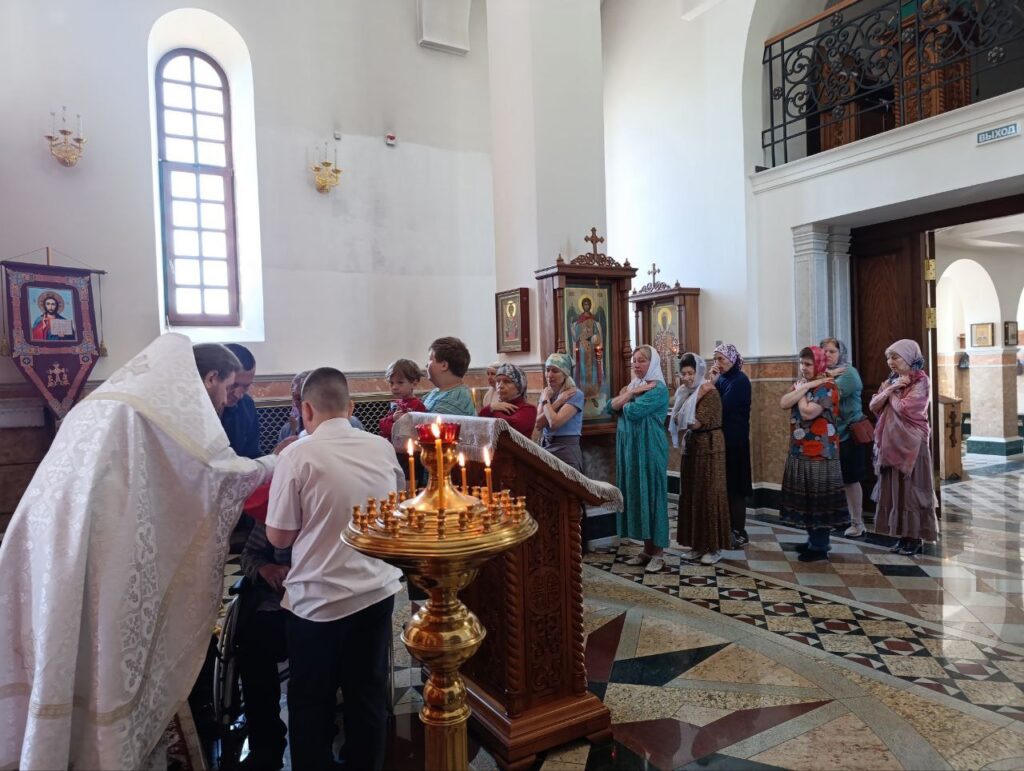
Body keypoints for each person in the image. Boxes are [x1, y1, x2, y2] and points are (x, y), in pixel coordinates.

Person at [0, 335, 280, 770]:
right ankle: (105, 751)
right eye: (228, 388)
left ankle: (56, 745)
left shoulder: (106, 402)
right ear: (210, 378)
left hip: (49, 543)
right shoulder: (156, 414)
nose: (228, 400)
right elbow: (214, 475)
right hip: (103, 554)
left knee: (63, 643)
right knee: (105, 652)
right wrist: (274, 463)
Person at [266, 367, 405, 771]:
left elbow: (279, 538)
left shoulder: (297, 454)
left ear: (306, 410)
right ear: (352, 407)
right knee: (367, 694)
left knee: (311, 702)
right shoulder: (381, 447)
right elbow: (396, 508)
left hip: (318, 601)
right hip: (376, 591)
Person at [779, 346, 849, 562]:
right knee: (808, 500)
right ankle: (813, 540)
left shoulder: (828, 387)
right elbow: (783, 402)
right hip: (800, 449)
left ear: (818, 364)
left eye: (808, 364)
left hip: (821, 453)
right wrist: (806, 386)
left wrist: (801, 391)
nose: (803, 367)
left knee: (820, 501)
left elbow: (807, 412)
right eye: (801, 363)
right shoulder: (807, 384)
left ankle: (820, 546)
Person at [869, 339, 938, 557]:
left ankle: (915, 538)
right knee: (896, 491)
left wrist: (890, 393)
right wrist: (892, 388)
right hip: (891, 444)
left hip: (913, 445)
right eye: (888, 358)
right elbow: (873, 405)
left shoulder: (921, 380)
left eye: (895, 357)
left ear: (909, 357)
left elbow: (905, 409)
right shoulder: (893, 381)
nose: (891, 362)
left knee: (912, 491)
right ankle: (902, 535)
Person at [607, 345, 670, 573]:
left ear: (652, 364)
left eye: (642, 360)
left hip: (650, 448)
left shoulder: (658, 389)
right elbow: (609, 407)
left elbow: (631, 412)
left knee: (652, 495)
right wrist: (631, 394)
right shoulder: (635, 386)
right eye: (634, 360)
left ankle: (659, 554)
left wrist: (625, 397)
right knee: (639, 494)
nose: (636, 364)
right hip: (632, 449)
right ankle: (647, 549)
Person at [236, 522, 291, 771]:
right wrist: (265, 568)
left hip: (324, 604)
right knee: (252, 646)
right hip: (276, 605)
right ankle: (266, 746)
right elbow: (249, 555)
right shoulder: (274, 510)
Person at [674, 353, 731, 565]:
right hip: (693, 446)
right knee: (692, 495)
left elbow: (694, 422)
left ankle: (714, 547)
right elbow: (678, 418)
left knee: (709, 495)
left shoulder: (710, 392)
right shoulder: (686, 392)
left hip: (710, 446)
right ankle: (696, 545)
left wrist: (683, 414)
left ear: (698, 372)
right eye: (684, 373)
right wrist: (683, 413)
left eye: (691, 373)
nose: (688, 377)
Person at [821, 337, 868, 537]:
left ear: (841, 353)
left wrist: (824, 378)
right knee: (833, 479)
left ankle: (858, 523)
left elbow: (827, 397)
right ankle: (839, 519)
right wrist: (826, 375)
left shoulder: (849, 373)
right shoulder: (826, 374)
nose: (827, 355)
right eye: (824, 351)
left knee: (850, 480)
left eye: (832, 351)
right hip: (831, 435)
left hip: (849, 434)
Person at [710, 343, 752, 547]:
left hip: (736, 441)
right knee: (725, 485)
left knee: (736, 487)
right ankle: (726, 528)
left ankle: (739, 531)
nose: (717, 363)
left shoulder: (740, 380)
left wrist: (713, 385)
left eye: (721, 359)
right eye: (715, 359)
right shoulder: (722, 378)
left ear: (732, 359)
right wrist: (714, 382)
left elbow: (721, 407)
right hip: (723, 439)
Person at [278, 369, 365, 439]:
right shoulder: (288, 430)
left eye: (308, 397)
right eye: (298, 399)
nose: (302, 404)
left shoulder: (352, 423)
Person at [535, 352, 585, 472]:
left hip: (566, 451)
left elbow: (554, 423)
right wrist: (557, 402)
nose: (549, 375)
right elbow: (538, 424)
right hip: (546, 448)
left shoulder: (575, 394)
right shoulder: (546, 394)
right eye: (547, 370)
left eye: (555, 371)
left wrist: (546, 402)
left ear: (565, 374)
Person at [221, 343, 262, 459]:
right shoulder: (196, 408)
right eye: (233, 385)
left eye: (246, 387)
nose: (238, 395)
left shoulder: (247, 405)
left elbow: (252, 455)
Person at [479, 362, 537, 437]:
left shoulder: (529, 409)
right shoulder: (495, 406)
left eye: (507, 382)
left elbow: (506, 427)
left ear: (519, 386)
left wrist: (492, 409)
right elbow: (480, 422)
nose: (500, 386)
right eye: (498, 381)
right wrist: (491, 407)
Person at [423, 336, 476, 416]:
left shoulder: (456, 399)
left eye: (430, 359)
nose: (426, 365)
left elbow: (429, 422)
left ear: (444, 365)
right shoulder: (437, 391)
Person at [378, 358, 427, 440]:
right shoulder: (396, 403)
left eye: (400, 382)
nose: (394, 387)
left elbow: (408, 432)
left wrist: (395, 424)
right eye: (391, 383)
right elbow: (382, 425)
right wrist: (393, 418)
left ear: (414, 384)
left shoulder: (417, 405)